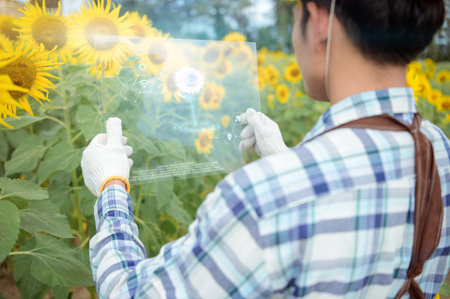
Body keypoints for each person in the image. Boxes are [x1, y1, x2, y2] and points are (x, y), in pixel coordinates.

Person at [80, 0, 449, 298]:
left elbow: (132, 293)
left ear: (318, 19)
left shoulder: (261, 198)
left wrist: (111, 185)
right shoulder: (439, 151)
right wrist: (287, 160)